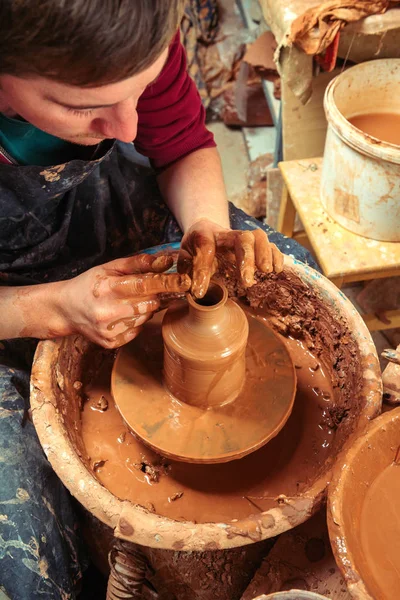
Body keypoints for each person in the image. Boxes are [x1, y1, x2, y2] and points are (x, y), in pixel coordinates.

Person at [0, 1, 317, 598]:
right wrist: (51, 308)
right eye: (83, 106)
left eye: (139, 91)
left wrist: (205, 228)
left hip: (99, 206)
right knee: (24, 564)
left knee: (287, 269)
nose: (126, 129)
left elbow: (180, 143)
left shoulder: (135, 30)